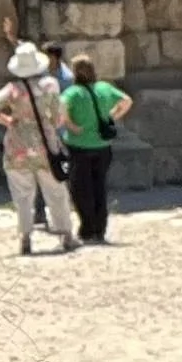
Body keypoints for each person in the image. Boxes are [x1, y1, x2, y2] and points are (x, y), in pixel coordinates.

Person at [0, 41, 76, 255]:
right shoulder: (51, 85)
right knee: (56, 190)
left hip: (18, 145)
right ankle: (66, 234)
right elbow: (59, 116)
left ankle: (25, 236)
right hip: (46, 144)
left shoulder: (13, 89)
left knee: (22, 194)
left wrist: (8, 120)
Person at [59, 53, 132, 246]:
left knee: (81, 189)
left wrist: (71, 125)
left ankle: (87, 228)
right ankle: (100, 228)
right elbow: (126, 101)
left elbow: (61, 109)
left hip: (79, 144)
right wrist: (112, 117)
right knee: (99, 186)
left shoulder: (73, 93)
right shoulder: (105, 88)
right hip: (102, 146)